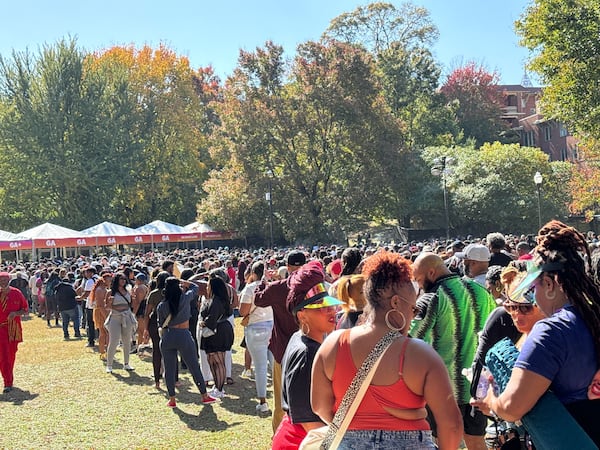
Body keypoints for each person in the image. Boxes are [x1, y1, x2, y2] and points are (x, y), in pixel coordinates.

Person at [311, 252, 463, 450]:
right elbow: (451, 424)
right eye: (413, 309)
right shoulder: (421, 355)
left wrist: (354, 430)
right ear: (396, 303)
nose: (413, 314)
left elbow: (319, 406)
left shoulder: (332, 344)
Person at [471, 220, 600, 445]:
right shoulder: (593, 319)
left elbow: (511, 408)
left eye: (534, 288)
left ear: (549, 284)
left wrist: (492, 400)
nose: (533, 297)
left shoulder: (551, 331)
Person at [411, 252, 496, 450]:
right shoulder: (480, 291)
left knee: (446, 444)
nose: (419, 285)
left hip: (445, 388)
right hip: (478, 385)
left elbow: (410, 337)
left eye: (418, 279)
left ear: (431, 272)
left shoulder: (432, 298)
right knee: (476, 441)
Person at [271, 261, 346, 449]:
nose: (331, 310)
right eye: (321, 307)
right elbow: (309, 421)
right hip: (302, 441)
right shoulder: (307, 353)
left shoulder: (301, 338)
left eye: (330, 305)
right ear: (302, 315)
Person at [253, 249, 305, 433]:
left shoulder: (278, 288)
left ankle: (279, 438)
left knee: (280, 401)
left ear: (288, 266)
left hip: (283, 351)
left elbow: (258, 299)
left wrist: (263, 283)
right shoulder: (313, 287)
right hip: (310, 351)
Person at [157, 276, 217, 408]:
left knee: (169, 369)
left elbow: (161, 323)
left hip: (168, 336)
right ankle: (204, 395)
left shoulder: (161, 305)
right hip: (183, 335)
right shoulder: (184, 298)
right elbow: (194, 287)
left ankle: (172, 399)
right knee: (194, 366)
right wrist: (185, 282)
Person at [239, 261, 274, 413]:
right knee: (274, 365)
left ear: (253, 273)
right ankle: (283, 397)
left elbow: (242, 311)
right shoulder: (272, 286)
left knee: (260, 366)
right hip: (271, 327)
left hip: (255, 328)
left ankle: (263, 401)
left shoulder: (250, 288)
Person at [199, 274, 234, 399]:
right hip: (217, 331)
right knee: (212, 360)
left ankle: (220, 388)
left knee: (218, 361)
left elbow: (212, 318)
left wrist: (204, 323)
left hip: (218, 332)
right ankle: (217, 385)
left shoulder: (217, 301)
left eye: (208, 285)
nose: (207, 287)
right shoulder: (217, 300)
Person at [0, 271, 28, 393]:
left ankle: (8, 382)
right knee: (3, 356)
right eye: (1, 280)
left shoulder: (16, 293)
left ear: (9, 281)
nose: (3, 282)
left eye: (5, 280)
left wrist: (16, 313)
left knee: (10, 355)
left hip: (12, 330)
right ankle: (7, 381)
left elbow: (25, 309)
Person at [104, 272, 136, 373]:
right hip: (115, 317)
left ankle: (126, 364)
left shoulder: (128, 291)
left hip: (127, 316)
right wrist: (110, 302)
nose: (123, 281)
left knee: (127, 341)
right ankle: (109, 365)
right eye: (121, 279)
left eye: (124, 279)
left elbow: (132, 305)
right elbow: (107, 307)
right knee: (114, 341)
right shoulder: (110, 292)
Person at [145, 271, 170, 389]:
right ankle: (173, 379)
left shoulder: (153, 294)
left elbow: (147, 313)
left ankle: (157, 381)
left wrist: (145, 328)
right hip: (170, 322)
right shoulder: (173, 293)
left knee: (156, 351)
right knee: (171, 351)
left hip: (155, 322)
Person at [91, 272, 111, 360]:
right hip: (101, 312)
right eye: (109, 280)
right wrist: (105, 316)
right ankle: (102, 352)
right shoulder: (100, 290)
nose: (110, 281)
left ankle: (107, 352)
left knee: (106, 333)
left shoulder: (105, 289)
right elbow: (100, 305)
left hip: (105, 312)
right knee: (104, 333)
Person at [55, 275, 81, 340]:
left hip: (62, 307)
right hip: (71, 306)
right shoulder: (69, 287)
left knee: (65, 321)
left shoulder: (58, 289)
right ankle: (77, 333)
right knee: (75, 320)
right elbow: (75, 295)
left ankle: (66, 334)